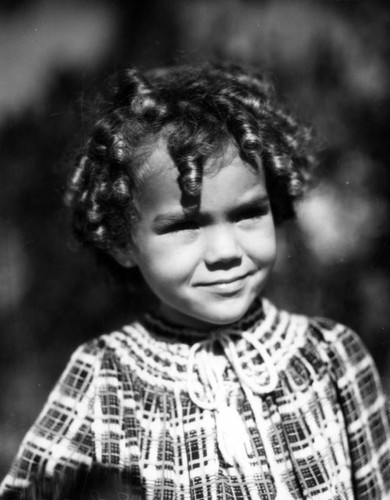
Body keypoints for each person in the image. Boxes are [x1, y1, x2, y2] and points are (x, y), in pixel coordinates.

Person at [1, 63, 389, 500]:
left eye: (247, 214)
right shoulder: (105, 381)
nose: (225, 252)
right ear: (121, 243)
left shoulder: (333, 355)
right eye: (186, 226)